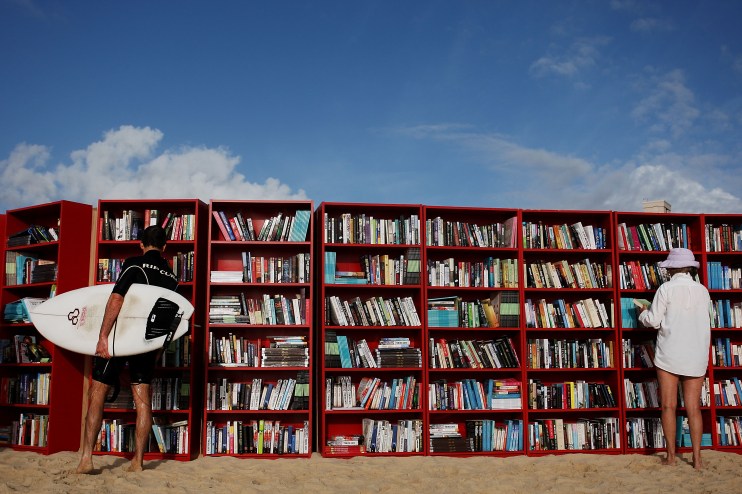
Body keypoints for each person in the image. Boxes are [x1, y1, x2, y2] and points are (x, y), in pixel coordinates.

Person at [76, 225, 178, 474]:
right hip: (145, 343)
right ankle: (138, 462)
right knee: (142, 400)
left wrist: (102, 336)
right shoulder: (172, 277)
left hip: (119, 339)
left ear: (141, 244)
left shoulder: (133, 264)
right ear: (165, 247)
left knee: (97, 391)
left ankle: (87, 459)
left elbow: (117, 298)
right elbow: (168, 317)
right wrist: (156, 349)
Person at [637, 247, 711, 470]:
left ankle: (671, 457)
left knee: (668, 406)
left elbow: (654, 320)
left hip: (670, 352)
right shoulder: (702, 290)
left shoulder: (665, 289)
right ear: (689, 268)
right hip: (696, 353)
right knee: (693, 408)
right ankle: (697, 460)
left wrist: (643, 312)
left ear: (670, 269)